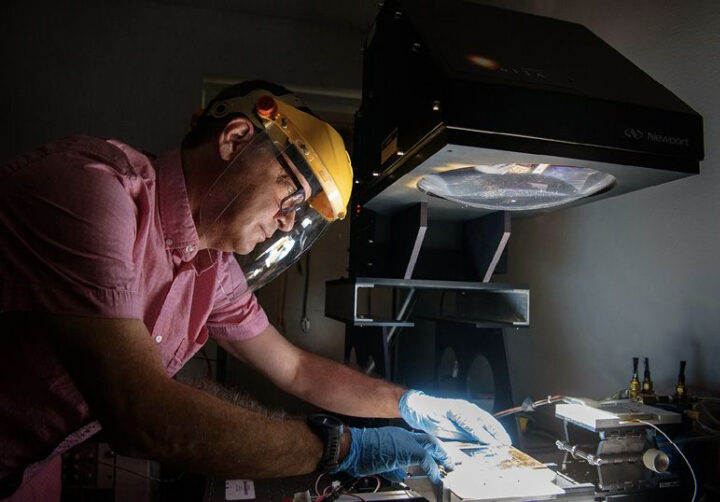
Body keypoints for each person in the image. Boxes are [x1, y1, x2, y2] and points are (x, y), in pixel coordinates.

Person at [0, 80, 510, 500]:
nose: (288, 223)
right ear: (237, 138)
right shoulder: (94, 191)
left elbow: (297, 369)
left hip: (31, 473)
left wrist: (414, 403)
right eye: (291, 194)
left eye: (300, 212)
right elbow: (142, 414)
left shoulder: (215, 270)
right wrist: (343, 448)